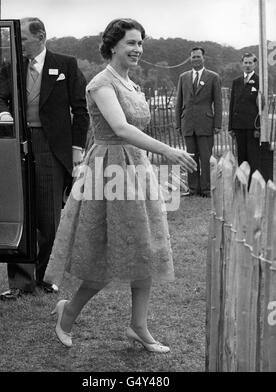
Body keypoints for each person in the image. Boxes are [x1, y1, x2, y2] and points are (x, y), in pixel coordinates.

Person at [44, 18, 197, 352]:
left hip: (136, 171)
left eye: (140, 43)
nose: (138, 49)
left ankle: (138, 327)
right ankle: (66, 313)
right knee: (102, 256)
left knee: (146, 249)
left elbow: (134, 134)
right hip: (107, 173)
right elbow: (121, 128)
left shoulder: (131, 83)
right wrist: (169, 150)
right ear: (113, 45)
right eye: (131, 43)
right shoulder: (101, 83)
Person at [0, 17, 89, 300]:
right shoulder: (12, 67)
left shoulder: (66, 64)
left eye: (23, 39)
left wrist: (77, 150)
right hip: (18, 144)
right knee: (19, 212)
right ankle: (20, 282)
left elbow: (80, 111)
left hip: (52, 148)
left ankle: (46, 277)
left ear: (41, 36)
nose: (17, 44)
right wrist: (4, 114)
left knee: (47, 215)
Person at [175, 47, 222, 197]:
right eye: (193, 57)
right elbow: (178, 102)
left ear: (203, 58)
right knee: (190, 158)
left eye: (198, 57)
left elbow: (218, 102)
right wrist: (178, 123)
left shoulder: (213, 77)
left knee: (206, 157)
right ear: (190, 59)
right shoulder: (183, 77)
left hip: (206, 124)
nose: (195, 59)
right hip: (188, 123)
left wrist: (217, 124)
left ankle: (206, 188)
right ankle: (193, 189)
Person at [228, 52, 273, 182]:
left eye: (250, 62)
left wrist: (260, 127)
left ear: (255, 64)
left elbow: (263, 106)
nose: (247, 65)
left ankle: (254, 184)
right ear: (242, 64)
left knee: (253, 157)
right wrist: (231, 126)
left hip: (253, 127)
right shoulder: (236, 82)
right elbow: (232, 105)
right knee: (241, 157)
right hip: (238, 126)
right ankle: (243, 182)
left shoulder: (260, 81)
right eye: (245, 62)